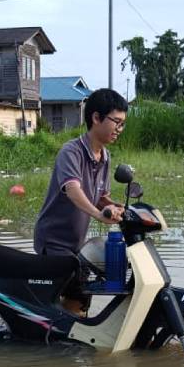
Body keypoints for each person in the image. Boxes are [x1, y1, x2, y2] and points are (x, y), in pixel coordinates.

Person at [33, 88, 128, 317]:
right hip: (53, 241)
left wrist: (115, 206)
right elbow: (73, 190)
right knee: (78, 283)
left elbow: (99, 196)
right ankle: (59, 335)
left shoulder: (104, 157)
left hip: (76, 244)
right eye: (116, 121)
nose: (119, 129)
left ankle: (70, 332)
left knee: (87, 284)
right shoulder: (71, 152)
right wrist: (99, 215)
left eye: (123, 124)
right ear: (96, 118)